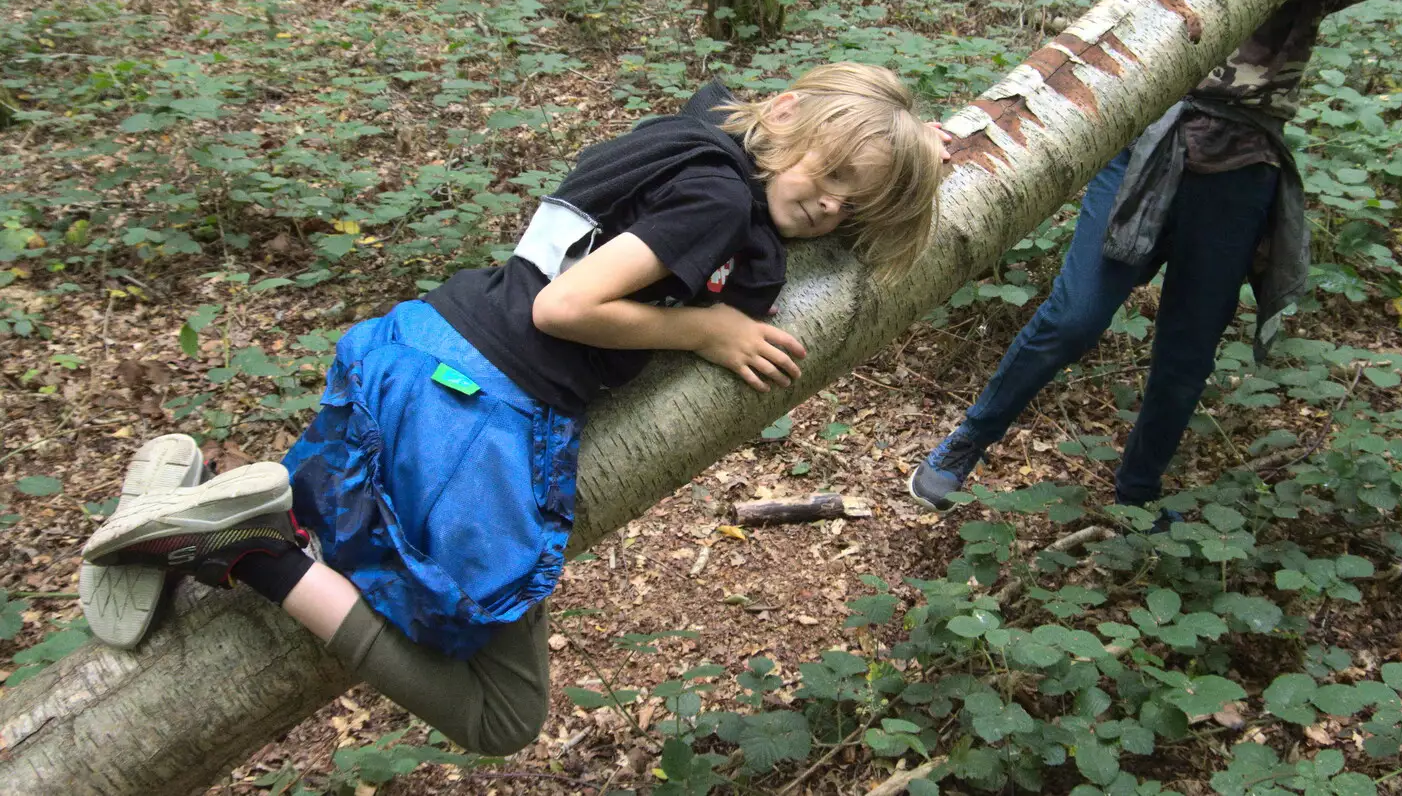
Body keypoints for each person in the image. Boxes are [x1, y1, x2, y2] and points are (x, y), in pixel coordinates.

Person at [80, 63, 946, 754]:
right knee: (502, 718)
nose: (832, 206)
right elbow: (564, 309)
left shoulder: (698, 139)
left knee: (345, 537)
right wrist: (706, 329)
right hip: (479, 415)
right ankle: (244, 550)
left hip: (418, 349)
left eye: (855, 204)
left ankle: (177, 494)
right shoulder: (718, 202)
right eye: (833, 178)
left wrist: (904, 150)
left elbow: (760, 118)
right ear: (786, 113)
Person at [908, 0, 1402, 517]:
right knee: (1073, 319)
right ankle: (961, 449)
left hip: (1240, 176)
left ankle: (1137, 494)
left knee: (1185, 358)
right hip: (1147, 149)